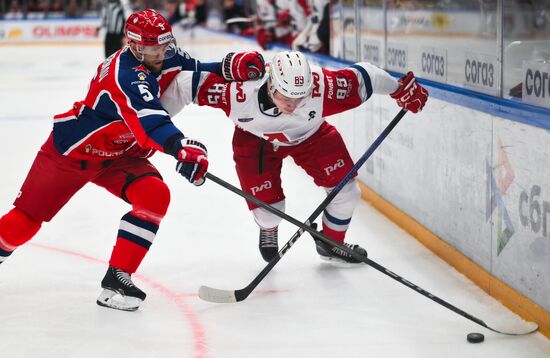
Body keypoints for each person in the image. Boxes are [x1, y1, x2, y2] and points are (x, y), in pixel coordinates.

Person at [0, 9, 265, 311]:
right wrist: (180, 147)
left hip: (119, 155)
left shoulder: (163, 54)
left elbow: (195, 69)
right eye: (154, 47)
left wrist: (231, 66)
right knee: (23, 225)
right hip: (75, 152)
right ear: (134, 45)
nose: (162, 52)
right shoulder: (125, 75)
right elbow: (151, 122)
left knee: (154, 195)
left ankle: (116, 279)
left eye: (165, 44)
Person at [160, 51, 428, 264]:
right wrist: (155, 129)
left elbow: (366, 76)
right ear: (271, 83)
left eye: (300, 97)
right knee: (270, 214)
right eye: (285, 96)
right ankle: (268, 227)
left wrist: (398, 88)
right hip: (256, 141)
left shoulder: (325, 87)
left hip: (311, 136)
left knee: (347, 193)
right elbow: (184, 85)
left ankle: (331, 243)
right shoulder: (237, 92)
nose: (292, 104)